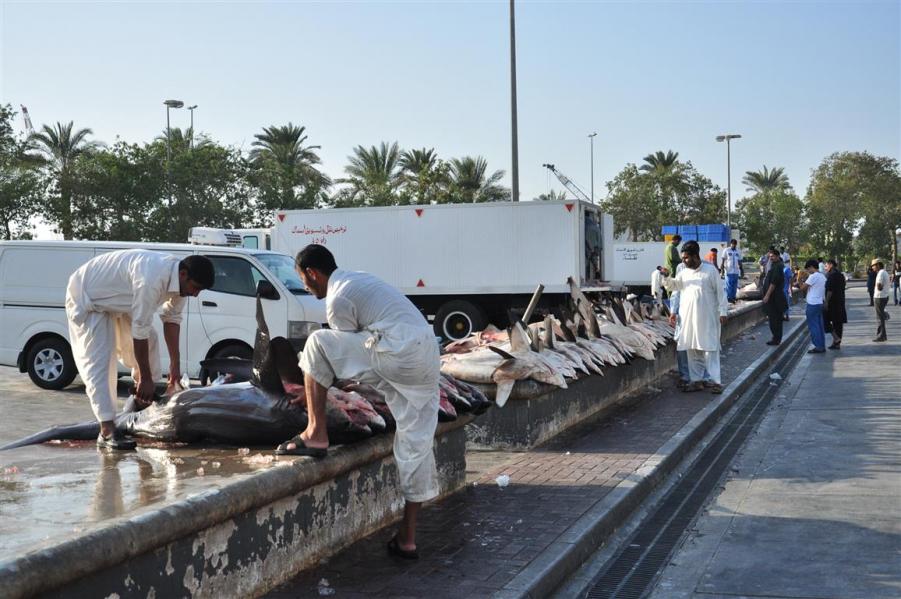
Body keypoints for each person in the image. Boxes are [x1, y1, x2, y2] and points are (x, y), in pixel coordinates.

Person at [277, 244, 440, 559]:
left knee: (316, 343)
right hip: (426, 356)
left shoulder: (338, 299)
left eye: (303, 280)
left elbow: (334, 356)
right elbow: (356, 354)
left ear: (312, 273)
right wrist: (328, 385)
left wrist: (314, 386)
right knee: (416, 444)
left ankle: (315, 433)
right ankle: (407, 538)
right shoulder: (358, 279)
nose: (305, 287)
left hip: (397, 351)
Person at [65, 250, 215, 450]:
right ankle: (107, 430)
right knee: (101, 361)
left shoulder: (181, 283)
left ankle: (141, 403)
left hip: (118, 303)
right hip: (87, 298)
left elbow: (172, 320)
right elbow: (139, 331)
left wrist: (175, 368)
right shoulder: (152, 278)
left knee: (151, 339)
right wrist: (145, 377)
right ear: (183, 274)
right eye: (195, 288)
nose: (195, 294)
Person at [663, 240, 728, 394]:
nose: (684, 261)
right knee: (692, 350)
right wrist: (666, 277)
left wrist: (723, 312)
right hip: (689, 319)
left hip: (708, 318)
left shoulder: (710, 271)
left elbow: (721, 292)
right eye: (683, 258)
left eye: (686, 258)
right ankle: (696, 381)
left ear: (695, 256)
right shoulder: (683, 273)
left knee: (710, 350)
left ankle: (716, 382)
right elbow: (674, 287)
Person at [799, 259, 827, 353]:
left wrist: (799, 279)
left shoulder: (813, 276)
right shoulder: (822, 276)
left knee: (813, 326)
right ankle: (821, 345)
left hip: (812, 304)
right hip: (820, 302)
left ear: (811, 267)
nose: (808, 271)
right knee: (819, 326)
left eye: (808, 269)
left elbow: (802, 288)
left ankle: (818, 346)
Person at [761, 249, 787, 346]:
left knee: (774, 319)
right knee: (775, 319)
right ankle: (776, 338)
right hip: (774, 297)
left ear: (777, 256)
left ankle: (776, 339)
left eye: (772, 256)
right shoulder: (775, 265)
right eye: (770, 256)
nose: (770, 258)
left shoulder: (778, 266)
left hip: (774, 298)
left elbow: (773, 283)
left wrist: (767, 295)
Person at [824, 259, 847, 350]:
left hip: (833, 302)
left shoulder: (831, 275)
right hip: (840, 301)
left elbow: (830, 290)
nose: (825, 267)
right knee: (838, 323)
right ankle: (837, 343)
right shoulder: (840, 275)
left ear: (831, 265)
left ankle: (836, 339)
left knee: (826, 320)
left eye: (826, 265)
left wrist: (826, 302)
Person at [721, 239, 743, 303]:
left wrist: (742, 270)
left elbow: (739, 261)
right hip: (728, 271)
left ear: (736, 244)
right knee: (729, 285)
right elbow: (723, 260)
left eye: (735, 244)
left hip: (736, 271)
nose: (734, 245)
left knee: (735, 285)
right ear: (730, 244)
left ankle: (733, 297)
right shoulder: (726, 250)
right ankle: (729, 298)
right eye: (733, 244)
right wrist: (722, 270)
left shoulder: (738, 251)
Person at [873, 260, 889, 342]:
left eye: (874, 265)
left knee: (880, 317)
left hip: (879, 297)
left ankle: (881, 335)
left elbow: (879, 286)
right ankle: (882, 335)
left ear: (878, 265)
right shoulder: (884, 272)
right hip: (884, 296)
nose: (873, 267)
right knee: (880, 316)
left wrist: (877, 286)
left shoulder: (880, 273)